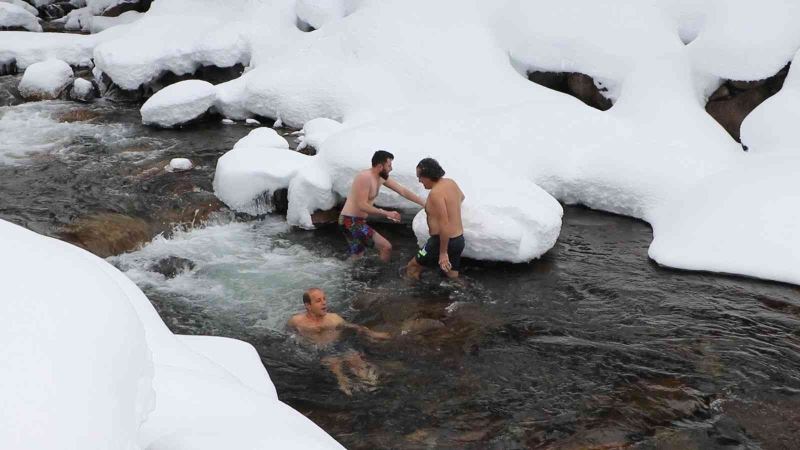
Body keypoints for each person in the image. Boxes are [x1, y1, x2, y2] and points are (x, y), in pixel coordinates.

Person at [287, 288, 390, 395]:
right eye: (318, 301)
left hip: (338, 345)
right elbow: (287, 334)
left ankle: (374, 385)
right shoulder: (297, 322)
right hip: (318, 350)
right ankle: (346, 387)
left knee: (354, 359)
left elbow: (354, 327)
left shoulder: (333, 319)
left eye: (324, 299)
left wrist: (373, 334)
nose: (324, 303)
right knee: (334, 364)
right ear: (308, 305)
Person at [339, 150, 425, 262]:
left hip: (356, 221)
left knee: (358, 255)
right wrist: (386, 213)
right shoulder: (364, 177)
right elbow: (362, 205)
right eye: (389, 165)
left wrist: (423, 203)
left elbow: (402, 191)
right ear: (380, 166)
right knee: (386, 247)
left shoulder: (380, 177)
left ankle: (348, 275)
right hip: (350, 221)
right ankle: (381, 274)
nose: (391, 168)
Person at [405, 158, 465, 279]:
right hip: (458, 240)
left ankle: (412, 296)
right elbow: (462, 197)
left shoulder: (436, 194)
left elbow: (444, 224)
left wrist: (443, 253)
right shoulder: (450, 183)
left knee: (412, 267)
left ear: (428, 176)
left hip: (440, 242)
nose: (419, 181)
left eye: (420, 177)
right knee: (452, 276)